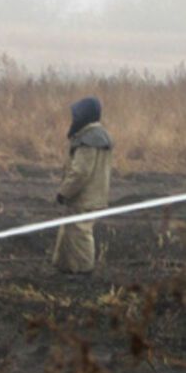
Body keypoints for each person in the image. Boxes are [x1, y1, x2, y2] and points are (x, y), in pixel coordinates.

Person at [52, 96, 113, 273]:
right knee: (70, 231)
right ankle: (66, 268)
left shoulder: (89, 140)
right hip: (92, 195)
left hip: (84, 197)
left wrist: (64, 192)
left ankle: (84, 270)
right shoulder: (99, 136)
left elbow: (80, 172)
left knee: (80, 233)